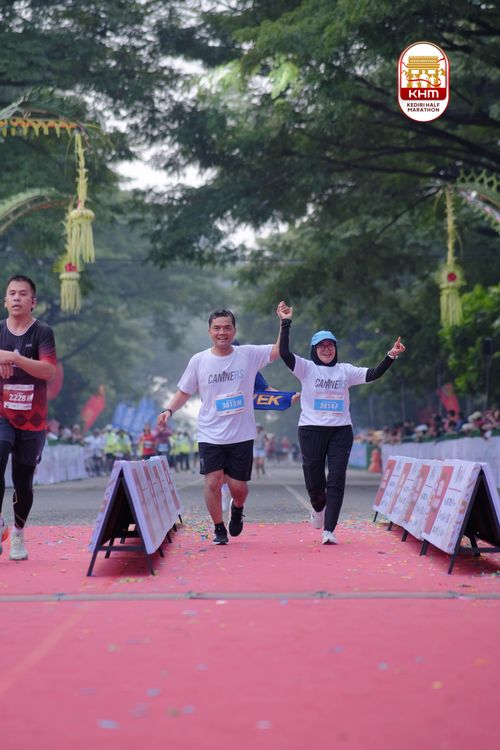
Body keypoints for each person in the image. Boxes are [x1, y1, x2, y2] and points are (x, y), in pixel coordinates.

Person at [277, 300, 406, 545]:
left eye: (330, 345)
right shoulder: (305, 368)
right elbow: (284, 353)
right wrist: (285, 323)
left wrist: (391, 355)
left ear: (335, 348)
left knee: (336, 478)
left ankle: (329, 530)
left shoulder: (345, 371)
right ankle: (318, 507)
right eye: (321, 346)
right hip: (311, 430)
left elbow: (374, 373)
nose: (326, 349)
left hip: (340, 431)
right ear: (314, 349)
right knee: (315, 482)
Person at [157, 308, 280, 545]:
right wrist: (169, 410)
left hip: (241, 434)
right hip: (210, 433)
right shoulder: (199, 360)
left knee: (238, 487)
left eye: (227, 328)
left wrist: (284, 324)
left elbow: (277, 351)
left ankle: (237, 508)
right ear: (210, 331)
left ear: (234, 330)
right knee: (212, 481)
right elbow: (184, 391)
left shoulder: (248, 355)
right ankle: (218, 527)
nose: (222, 332)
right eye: (217, 328)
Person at [0, 275, 57, 561]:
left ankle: (18, 534)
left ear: (32, 302)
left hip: (33, 418)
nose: (16, 298)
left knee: (23, 482)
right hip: (2, 412)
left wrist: (13, 358)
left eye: (23, 294)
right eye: (12, 293)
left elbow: (48, 371)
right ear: (5, 300)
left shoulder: (43, 332)